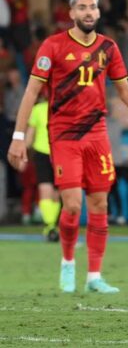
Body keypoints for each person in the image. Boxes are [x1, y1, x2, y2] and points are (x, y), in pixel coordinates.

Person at [6, 0, 128, 294]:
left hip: (97, 134)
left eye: (92, 7)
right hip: (64, 134)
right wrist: (19, 136)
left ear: (99, 13)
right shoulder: (53, 46)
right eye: (82, 8)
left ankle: (94, 276)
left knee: (100, 203)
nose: (88, 12)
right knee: (73, 204)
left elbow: (124, 90)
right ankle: (67, 262)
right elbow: (31, 92)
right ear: (72, 14)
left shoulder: (108, 47)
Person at [26, 93, 61, 241]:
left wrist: (23, 152)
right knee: (54, 192)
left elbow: (30, 136)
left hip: (46, 153)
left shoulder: (38, 109)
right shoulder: (63, 108)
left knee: (48, 191)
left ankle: (50, 226)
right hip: (57, 153)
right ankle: (52, 226)